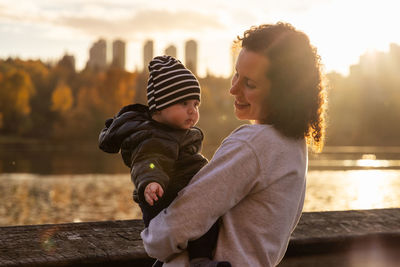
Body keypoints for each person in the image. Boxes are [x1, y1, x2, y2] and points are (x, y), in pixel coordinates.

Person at [140, 22, 327, 266]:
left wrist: (153, 238)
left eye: (250, 84)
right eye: (236, 74)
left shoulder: (254, 144)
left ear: (283, 94)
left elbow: (177, 227)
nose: (233, 89)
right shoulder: (294, 147)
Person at [99, 56, 231, 267]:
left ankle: (194, 259)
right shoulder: (152, 136)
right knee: (201, 224)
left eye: (196, 104)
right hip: (163, 197)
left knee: (207, 219)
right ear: (159, 107)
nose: (192, 111)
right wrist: (151, 181)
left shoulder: (176, 133)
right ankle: (199, 260)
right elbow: (148, 161)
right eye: (184, 103)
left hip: (179, 195)